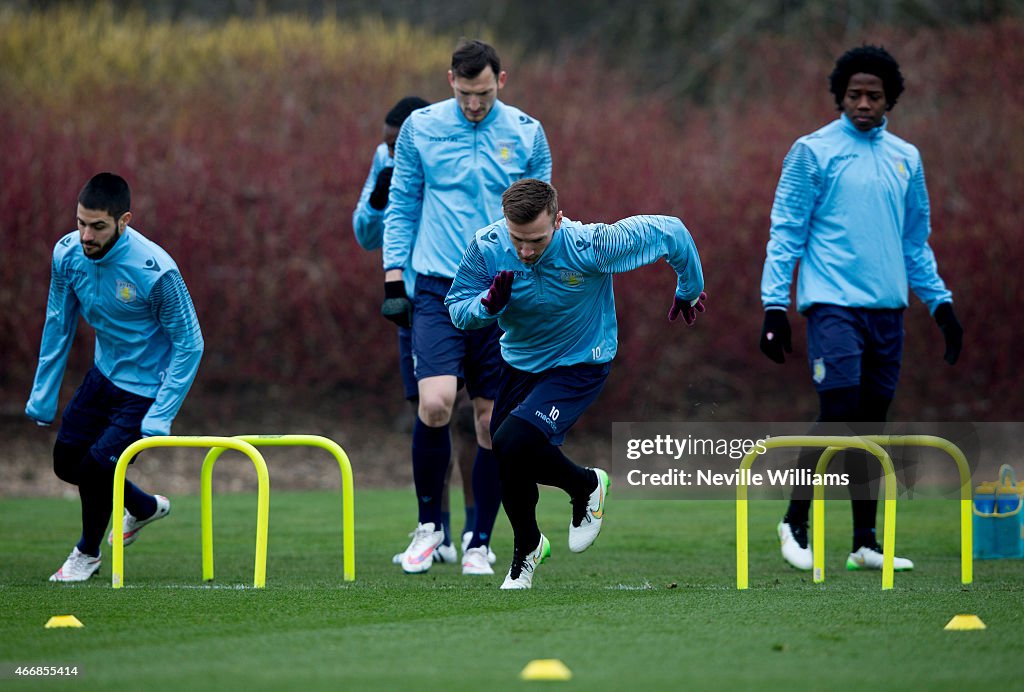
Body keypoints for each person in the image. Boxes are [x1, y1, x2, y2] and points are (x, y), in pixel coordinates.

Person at [759, 45, 963, 573]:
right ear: (839, 98)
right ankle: (795, 520)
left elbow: (916, 242)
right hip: (832, 307)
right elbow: (786, 233)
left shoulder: (906, 158)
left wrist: (941, 305)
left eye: (874, 94)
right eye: (855, 94)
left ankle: (865, 543)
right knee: (840, 410)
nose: (864, 102)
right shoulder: (811, 152)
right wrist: (774, 306)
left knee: (872, 422)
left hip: (888, 311)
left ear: (890, 98)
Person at [447, 178, 706, 588]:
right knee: (507, 456)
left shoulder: (591, 244)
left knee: (512, 440)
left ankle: (586, 486)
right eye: (518, 240)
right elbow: (457, 308)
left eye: (537, 240)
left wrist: (689, 289)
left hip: (580, 362)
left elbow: (671, 232)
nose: (526, 251)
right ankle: (527, 549)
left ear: (559, 220)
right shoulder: (488, 246)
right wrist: (487, 305)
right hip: (519, 363)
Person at [381, 39, 552, 575]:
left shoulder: (526, 132)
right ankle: (430, 528)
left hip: (505, 290)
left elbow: (547, 216)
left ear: (502, 79)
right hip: (437, 286)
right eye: (463, 91)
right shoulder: (422, 128)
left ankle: (480, 540)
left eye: (482, 93)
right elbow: (404, 202)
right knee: (435, 404)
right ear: (448, 79)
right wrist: (392, 277)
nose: (473, 103)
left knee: (488, 423)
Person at [26, 172, 204, 582]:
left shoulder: (155, 271)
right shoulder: (67, 254)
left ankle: (86, 555)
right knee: (67, 462)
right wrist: (43, 394)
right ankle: (142, 507)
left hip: (145, 391)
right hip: (103, 376)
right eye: (80, 223)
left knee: (95, 469)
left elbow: (190, 343)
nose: (86, 235)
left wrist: (162, 413)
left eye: (98, 226)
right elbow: (58, 322)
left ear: (124, 221)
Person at [352, 95, 492, 565]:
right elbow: (366, 233)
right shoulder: (385, 159)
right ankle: (440, 534)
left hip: (462, 297)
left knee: (477, 419)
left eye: (399, 145)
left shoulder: (442, 149)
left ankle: (478, 532)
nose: (394, 153)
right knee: (432, 413)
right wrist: (377, 198)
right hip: (415, 306)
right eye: (388, 146)